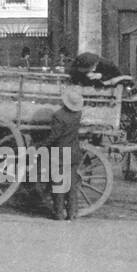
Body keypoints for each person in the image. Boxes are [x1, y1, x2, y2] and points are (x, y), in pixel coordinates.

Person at [43, 86, 84, 221]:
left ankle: (59, 213)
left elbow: (54, 136)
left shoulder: (58, 115)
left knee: (59, 184)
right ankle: (72, 213)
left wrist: (41, 145)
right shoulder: (78, 115)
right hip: (73, 152)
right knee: (71, 185)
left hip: (60, 153)